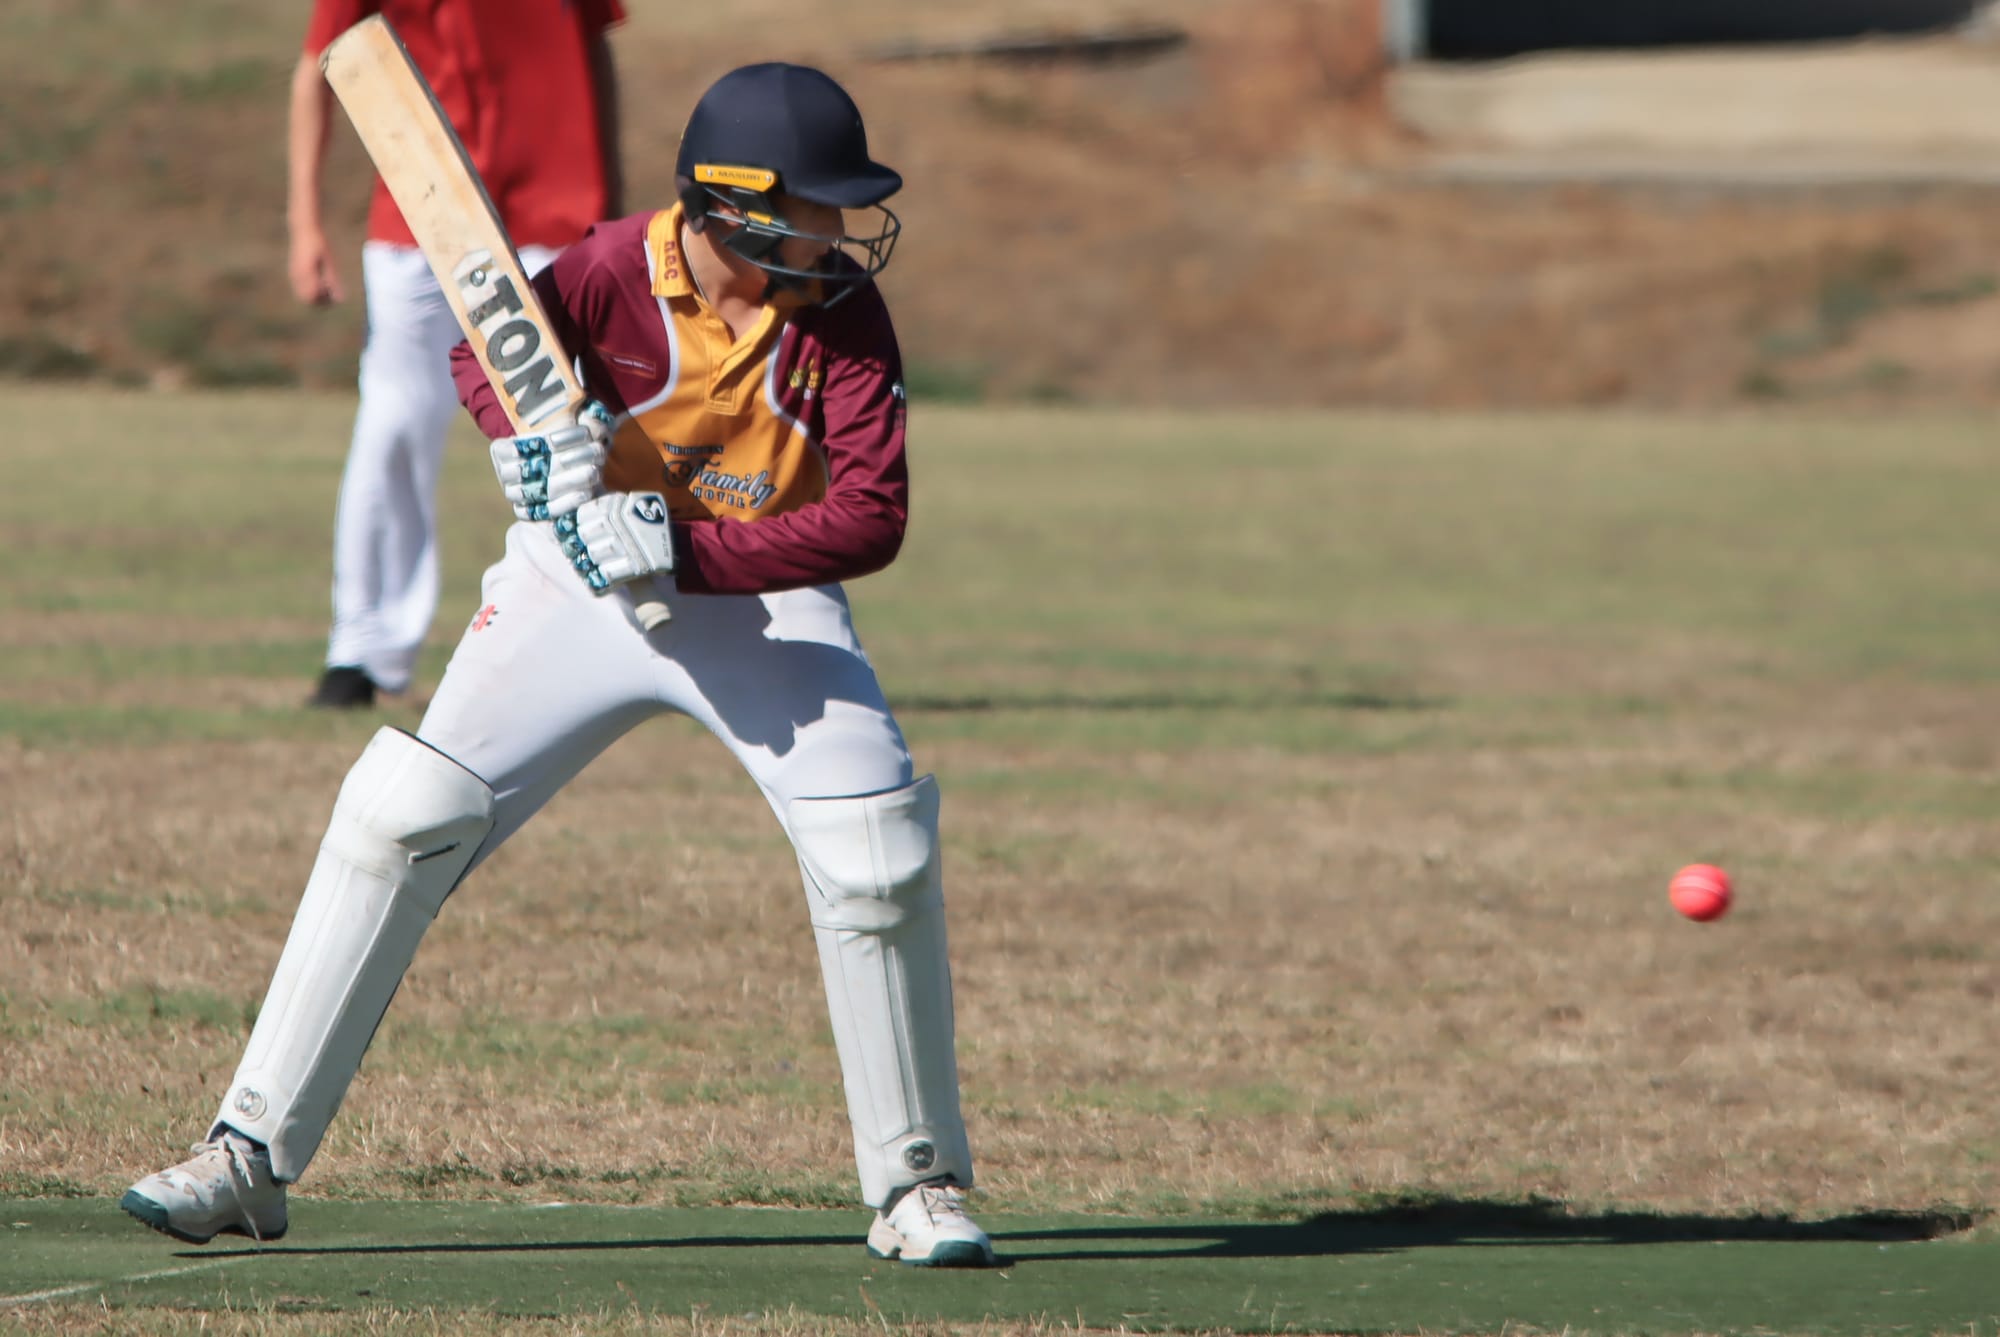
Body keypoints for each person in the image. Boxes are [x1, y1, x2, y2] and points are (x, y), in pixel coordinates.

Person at [122, 62, 996, 1269]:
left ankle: (916, 1183)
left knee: (877, 854)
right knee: (399, 817)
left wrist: (683, 547)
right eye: (813, 207)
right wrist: (520, 444)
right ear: (730, 202)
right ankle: (246, 1155)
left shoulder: (841, 313)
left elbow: (870, 517)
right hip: (573, 584)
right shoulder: (607, 266)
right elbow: (486, 352)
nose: (837, 233)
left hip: (760, 591)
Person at [291, 0, 625, 709]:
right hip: (420, 205)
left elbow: (593, 45)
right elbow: (321, 62)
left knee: (569, 435)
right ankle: (362, 649)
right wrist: (305, 222)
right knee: (394, 423)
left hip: (556, 210)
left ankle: (587, 637)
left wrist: (610, 205)